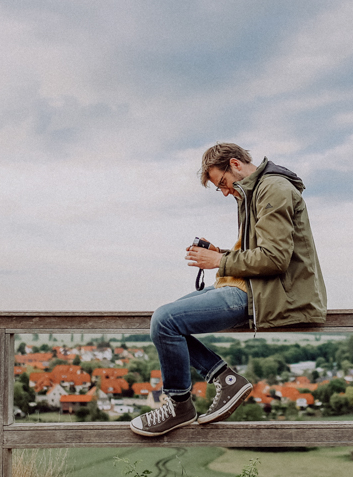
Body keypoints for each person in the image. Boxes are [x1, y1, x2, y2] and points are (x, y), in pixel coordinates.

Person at [130, 143, 327, 437]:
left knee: (166, 320)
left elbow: (274, 258)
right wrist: (219, 253)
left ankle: (179, 405)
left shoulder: (273, 189)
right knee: (164, 322)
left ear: (235, 164)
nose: (224, 192)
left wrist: (219, 260)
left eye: (222, 183)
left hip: (263, 296)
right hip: (248, 286)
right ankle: (225, 379)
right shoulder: (252, 193)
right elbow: (257, 253)